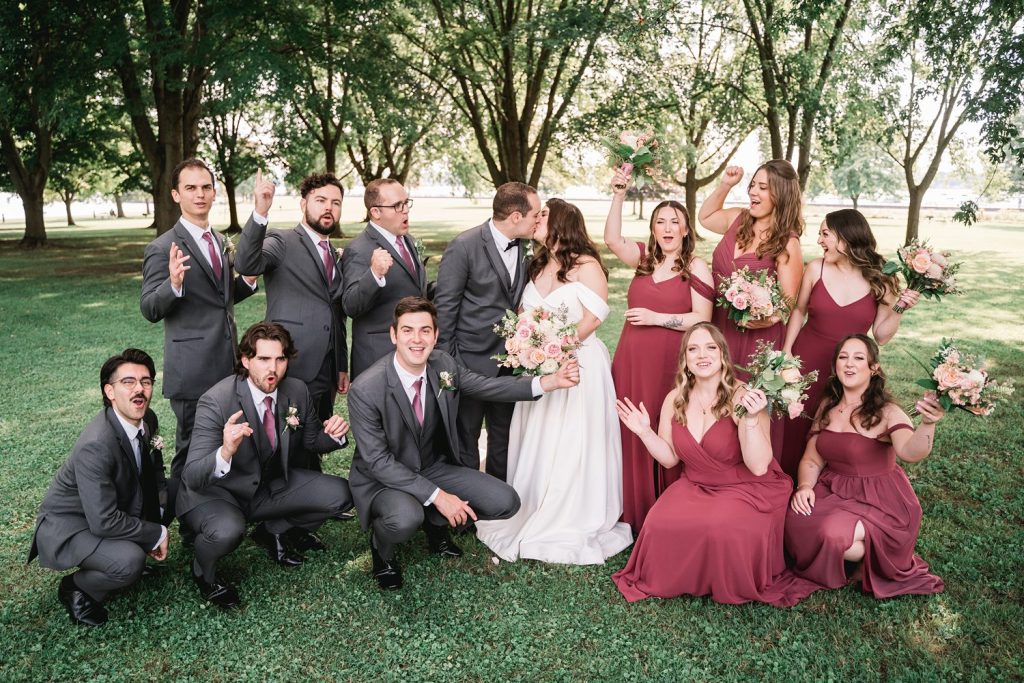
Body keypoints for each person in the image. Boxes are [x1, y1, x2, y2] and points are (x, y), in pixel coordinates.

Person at [346, 297, 579, 590]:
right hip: (385, 480)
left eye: (425, 331)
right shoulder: (367, 389)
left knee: (506, 502)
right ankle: (383, 549)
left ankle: (435, 524)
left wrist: (548, 383)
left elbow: (486, 386)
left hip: (432, 466)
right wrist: (439, 496)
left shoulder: (443, 364)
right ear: (394, 335)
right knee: (405, 518)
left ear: (435, 335)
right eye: (407, 331)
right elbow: (378, 462)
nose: (416, 339)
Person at [475, 198, 634, 564]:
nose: (536, 219)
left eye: (543, 214)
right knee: (539, 434)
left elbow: (594, 319)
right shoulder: (536, 264)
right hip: (540, 368)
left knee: (574, 439)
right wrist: (528, 347)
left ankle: (572, 511)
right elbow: (522, 316)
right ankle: (532, 503)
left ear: (562, 222)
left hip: (580, 365)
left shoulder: (587, 265)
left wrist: (554, 348)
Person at [612, 323, 812, 606]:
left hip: (746, 486)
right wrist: (645, 431)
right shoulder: (675, 399)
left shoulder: (744, 396)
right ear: (685, 360)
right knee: (658, 524)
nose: (701, 355)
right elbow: (670, 458)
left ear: (723, 356)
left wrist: (752, 419)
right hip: (694, 484)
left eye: (710, 348)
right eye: (693, 349)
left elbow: (758, 466)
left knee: (720, 527)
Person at [176, 322, 353, 610]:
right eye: (263, 359)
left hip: (267, 488)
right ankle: (203, 572)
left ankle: (272, 530)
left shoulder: (296, 390)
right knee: (227, 531)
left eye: (280, 359)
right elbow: (193, 475)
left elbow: (311, 441)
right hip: (218, 494)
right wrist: (224, 452)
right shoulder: (216, 401)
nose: (273, 369)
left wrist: (335, 435)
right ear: (246, 361)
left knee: (341, 494)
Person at [140, 158, 258, 527]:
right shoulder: (162, 248)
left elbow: (219, 301)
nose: (200, 194)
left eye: (206, 186)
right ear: (176, 194)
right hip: (192, 371)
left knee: (226, 445)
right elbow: (149, 308)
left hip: (228, 366)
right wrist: (173, 284)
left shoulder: (221, 240)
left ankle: (221, 510)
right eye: (190, 187)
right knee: (191, 451)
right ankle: (172, 521)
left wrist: (248, 282)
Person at [785, 334, 946, 599]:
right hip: (834, 488)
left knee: (833, 535)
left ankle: (872, 556)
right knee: (795, 519)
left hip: (880, 499)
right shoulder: (828, 406)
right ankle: (861, 547)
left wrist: (928, 424)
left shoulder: (887, 411)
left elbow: (910, 452)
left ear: (874, 368)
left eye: (859, 358)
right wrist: (804, 486)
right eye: (843, 357)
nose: (849, 364)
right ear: (835, 365)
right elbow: (812, 459)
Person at [603, 167, 715, 532]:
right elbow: (611, 239)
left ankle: (666, 512)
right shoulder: (644, 260)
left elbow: (702, 319)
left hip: (669, 362)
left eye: (675, 222)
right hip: (631, 360)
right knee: (630, 427)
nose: (667, 229)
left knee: (663, 428)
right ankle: (629, 509)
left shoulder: (695, 266)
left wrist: (655, 316)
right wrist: (620, 191)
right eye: (660, 222)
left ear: (685, 229)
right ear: (653, 229)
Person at [28, 349, 169, 626]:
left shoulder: (148, 418)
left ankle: (121, 552)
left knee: (174, 493)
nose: (139, 389)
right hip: (72, 522)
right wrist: (156, 531)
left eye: (146, 381)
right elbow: (104, 521)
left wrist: (161, 507)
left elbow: (154, 474)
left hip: (113, 504)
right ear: (110, 391)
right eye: (128, 382)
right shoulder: (96, 445)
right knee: (128, 562)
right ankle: (77, 586)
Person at [779, 209, 920, 476]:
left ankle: (827, 484)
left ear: (845, 237)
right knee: (795, 422)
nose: (820, 241)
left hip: (849, 369)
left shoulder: (881, 276)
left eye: (825, 234)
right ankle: (789, 481)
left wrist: (900, 308)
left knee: (834, 426)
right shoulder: (816, 268)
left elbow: (881, 335)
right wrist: (786, 353)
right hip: (806, 359)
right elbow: (798, 311)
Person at [698, 160, 805, 459]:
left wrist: (764, 317)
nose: (753, 192)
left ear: (781, 195)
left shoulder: (787, 243)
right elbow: (705, 217)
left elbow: (788, 302)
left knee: (747, 411)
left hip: (756, 339)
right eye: (752, 185)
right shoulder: (738, 218)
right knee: (712, 404)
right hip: (718, 329)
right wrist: (726, 184)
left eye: (763, 187)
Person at [434, 182, 540, 481]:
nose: (539, 220)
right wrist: (450, 362)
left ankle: (497, 500)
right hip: (469, 362)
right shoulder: (464, 246)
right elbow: (445, 308)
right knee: (466, 437)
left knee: (504, 436)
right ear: (516, 216)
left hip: (512, 362)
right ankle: (467, 501)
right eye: (536, 214)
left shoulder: (526, 248)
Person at [234, 171, 350, 446]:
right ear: (303, 204)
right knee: (287, 441)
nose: (328, 208)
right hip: (291, 363)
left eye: (335, 203)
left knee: (316, 439)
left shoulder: (334, 254)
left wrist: (341, 365)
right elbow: (247, 265)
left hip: (327, 369)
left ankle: (312, 483)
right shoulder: (282, 241)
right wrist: (261, 212)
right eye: (320, 200)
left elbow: (337, 312)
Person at [340, 178, 427, 378]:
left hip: (411, 353)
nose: (405, 210)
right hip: (378, 359)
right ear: (375, 212)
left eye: (406, 203)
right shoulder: (358, 249)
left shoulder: (409, 241)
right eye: (397, 205)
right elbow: (351, 305)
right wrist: (374, 275)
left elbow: (414, 288)